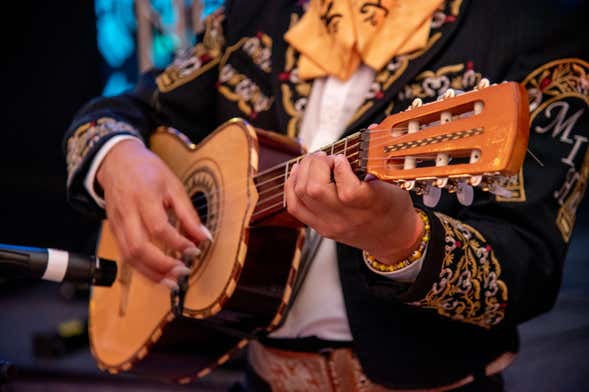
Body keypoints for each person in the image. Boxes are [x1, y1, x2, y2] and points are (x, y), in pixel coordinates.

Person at [64, 0, 589, 390]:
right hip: (258, 377)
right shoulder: (259, 13)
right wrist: (117, 157)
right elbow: (126, 110)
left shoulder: (533, 28)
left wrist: (400, 238)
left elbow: (528, 270)